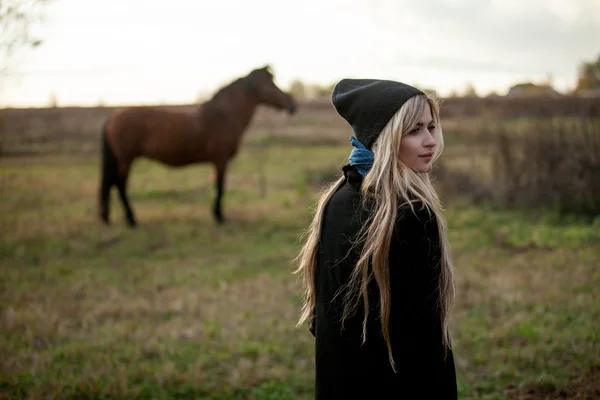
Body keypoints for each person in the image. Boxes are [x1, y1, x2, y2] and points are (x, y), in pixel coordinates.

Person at [294, 78, 458, 399]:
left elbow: (321, 322)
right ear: (385, 139)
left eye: (431, 127)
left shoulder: (336, 198)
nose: (430, 141)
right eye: (414, 131)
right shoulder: (411, 215)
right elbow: (423, 341)